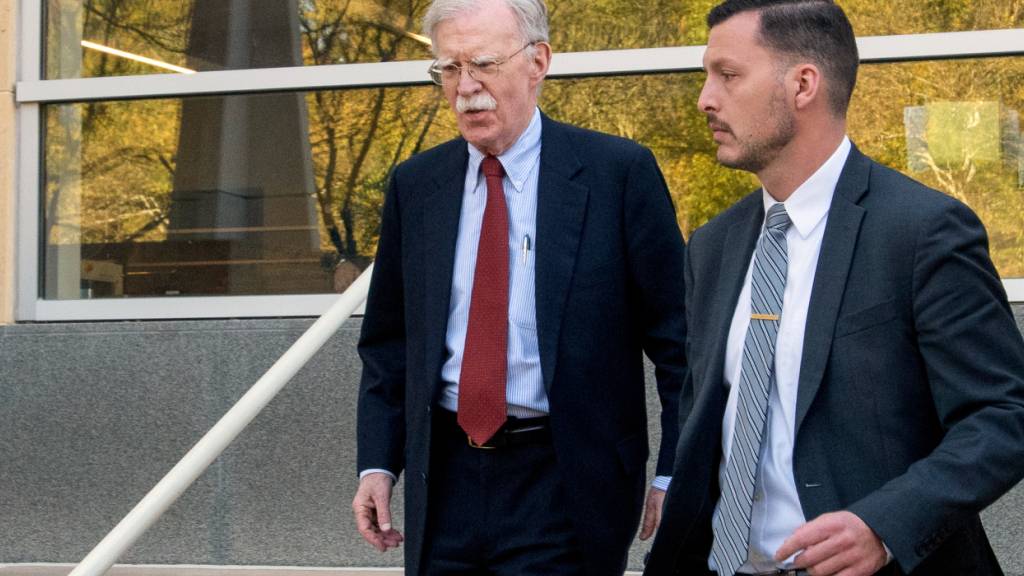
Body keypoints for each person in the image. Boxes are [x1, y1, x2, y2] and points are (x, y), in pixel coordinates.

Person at [644, 1, 1024, 575]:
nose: (705, 98)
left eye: (728, 74)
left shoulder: (922, 230)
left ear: (803, 84)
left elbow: (1004, 413)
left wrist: (885, 523)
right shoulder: (712, 247)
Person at [351, 0, 688, 573]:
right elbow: (389, 345)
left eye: (482, 63)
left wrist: (674, 472)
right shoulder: (417, 185)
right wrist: (377, 466)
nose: (466, 88)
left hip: (566, 481)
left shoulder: (617, 174)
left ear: (539, 62)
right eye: (448, 69)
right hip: (445, 481)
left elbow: (681, 344)